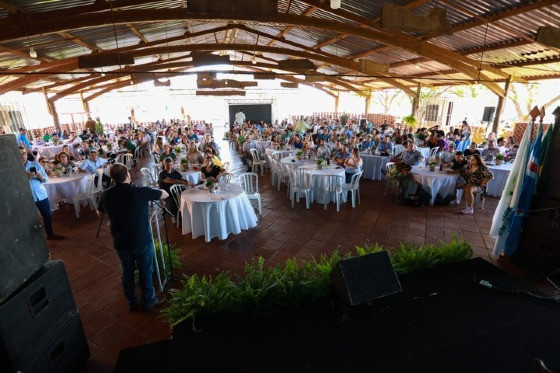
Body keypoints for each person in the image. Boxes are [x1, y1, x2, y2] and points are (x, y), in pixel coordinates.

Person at [97, 163, 168, 312]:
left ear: (112, 178)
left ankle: (132, 302)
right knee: (145, 271)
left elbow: (100, 214)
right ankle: (149, 301)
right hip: (141, 239)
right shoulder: (140, 191)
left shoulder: (105, 194)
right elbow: (164, 194)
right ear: (128, 175)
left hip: (120, 241)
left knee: (127, 272)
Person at [21, 149, 65, 240]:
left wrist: (41, 177)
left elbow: (46, 179)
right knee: (30, 218)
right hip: (27, 197)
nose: (23, 156)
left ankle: (50, 233)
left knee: (47, 215)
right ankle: (33, 238)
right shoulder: (14, 168)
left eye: (24, 153)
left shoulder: (35, 164)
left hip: (41, 194)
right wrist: (24, 178)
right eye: (20, 154)